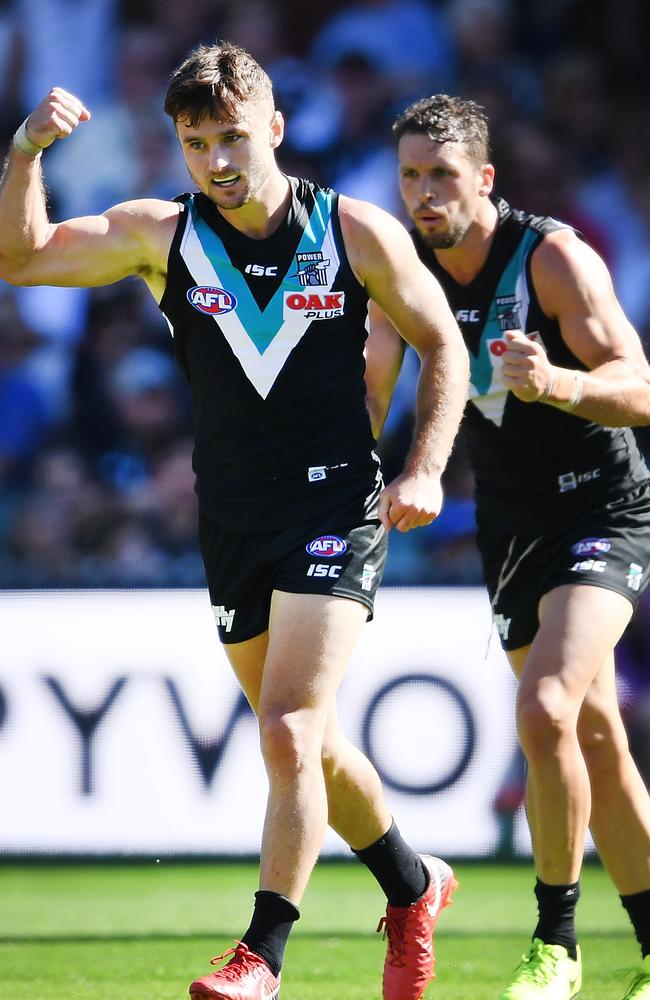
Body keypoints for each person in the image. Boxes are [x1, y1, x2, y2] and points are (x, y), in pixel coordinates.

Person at [0, 44, 469, 1000]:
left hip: (337, 503)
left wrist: (421, 468)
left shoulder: (354, 231)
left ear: (277, 129)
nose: (216, 160)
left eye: (233, 137)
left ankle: (263, 953)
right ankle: (414, 886)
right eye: (194, 141)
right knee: (310, 739)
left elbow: (443, 343)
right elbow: (20, 258)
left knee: (290, 729)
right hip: (234, 518)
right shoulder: (161, 235)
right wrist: (23, 154)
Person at [365, 93, 650, 1000]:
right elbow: (374, 385)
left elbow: (639, 386)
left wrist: (559, 382)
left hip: (603, 507)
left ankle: (556, 944)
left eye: (442, 175)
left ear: (484, 179)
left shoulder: (553, 256)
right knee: (593, 734)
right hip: (513, 525)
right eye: (410, 175)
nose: (424, 193)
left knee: (546, 708)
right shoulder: (404, 270)